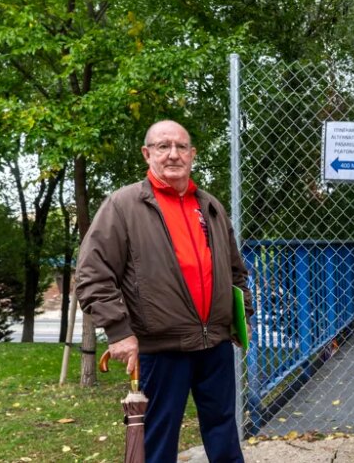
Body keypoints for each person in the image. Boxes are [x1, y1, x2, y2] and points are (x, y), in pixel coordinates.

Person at [76, 120, 251, 463]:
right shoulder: (123, 206)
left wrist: (240, 314)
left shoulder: (210, 206)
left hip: (213, 344)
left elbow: (235, 270)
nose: (173, 154)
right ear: (147, 153)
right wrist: (118, 332)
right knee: (158, 441)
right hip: (160, 347)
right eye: (162, 146)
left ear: (192, 154)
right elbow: (92, 274)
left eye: (181, 147)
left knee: (224, 434)